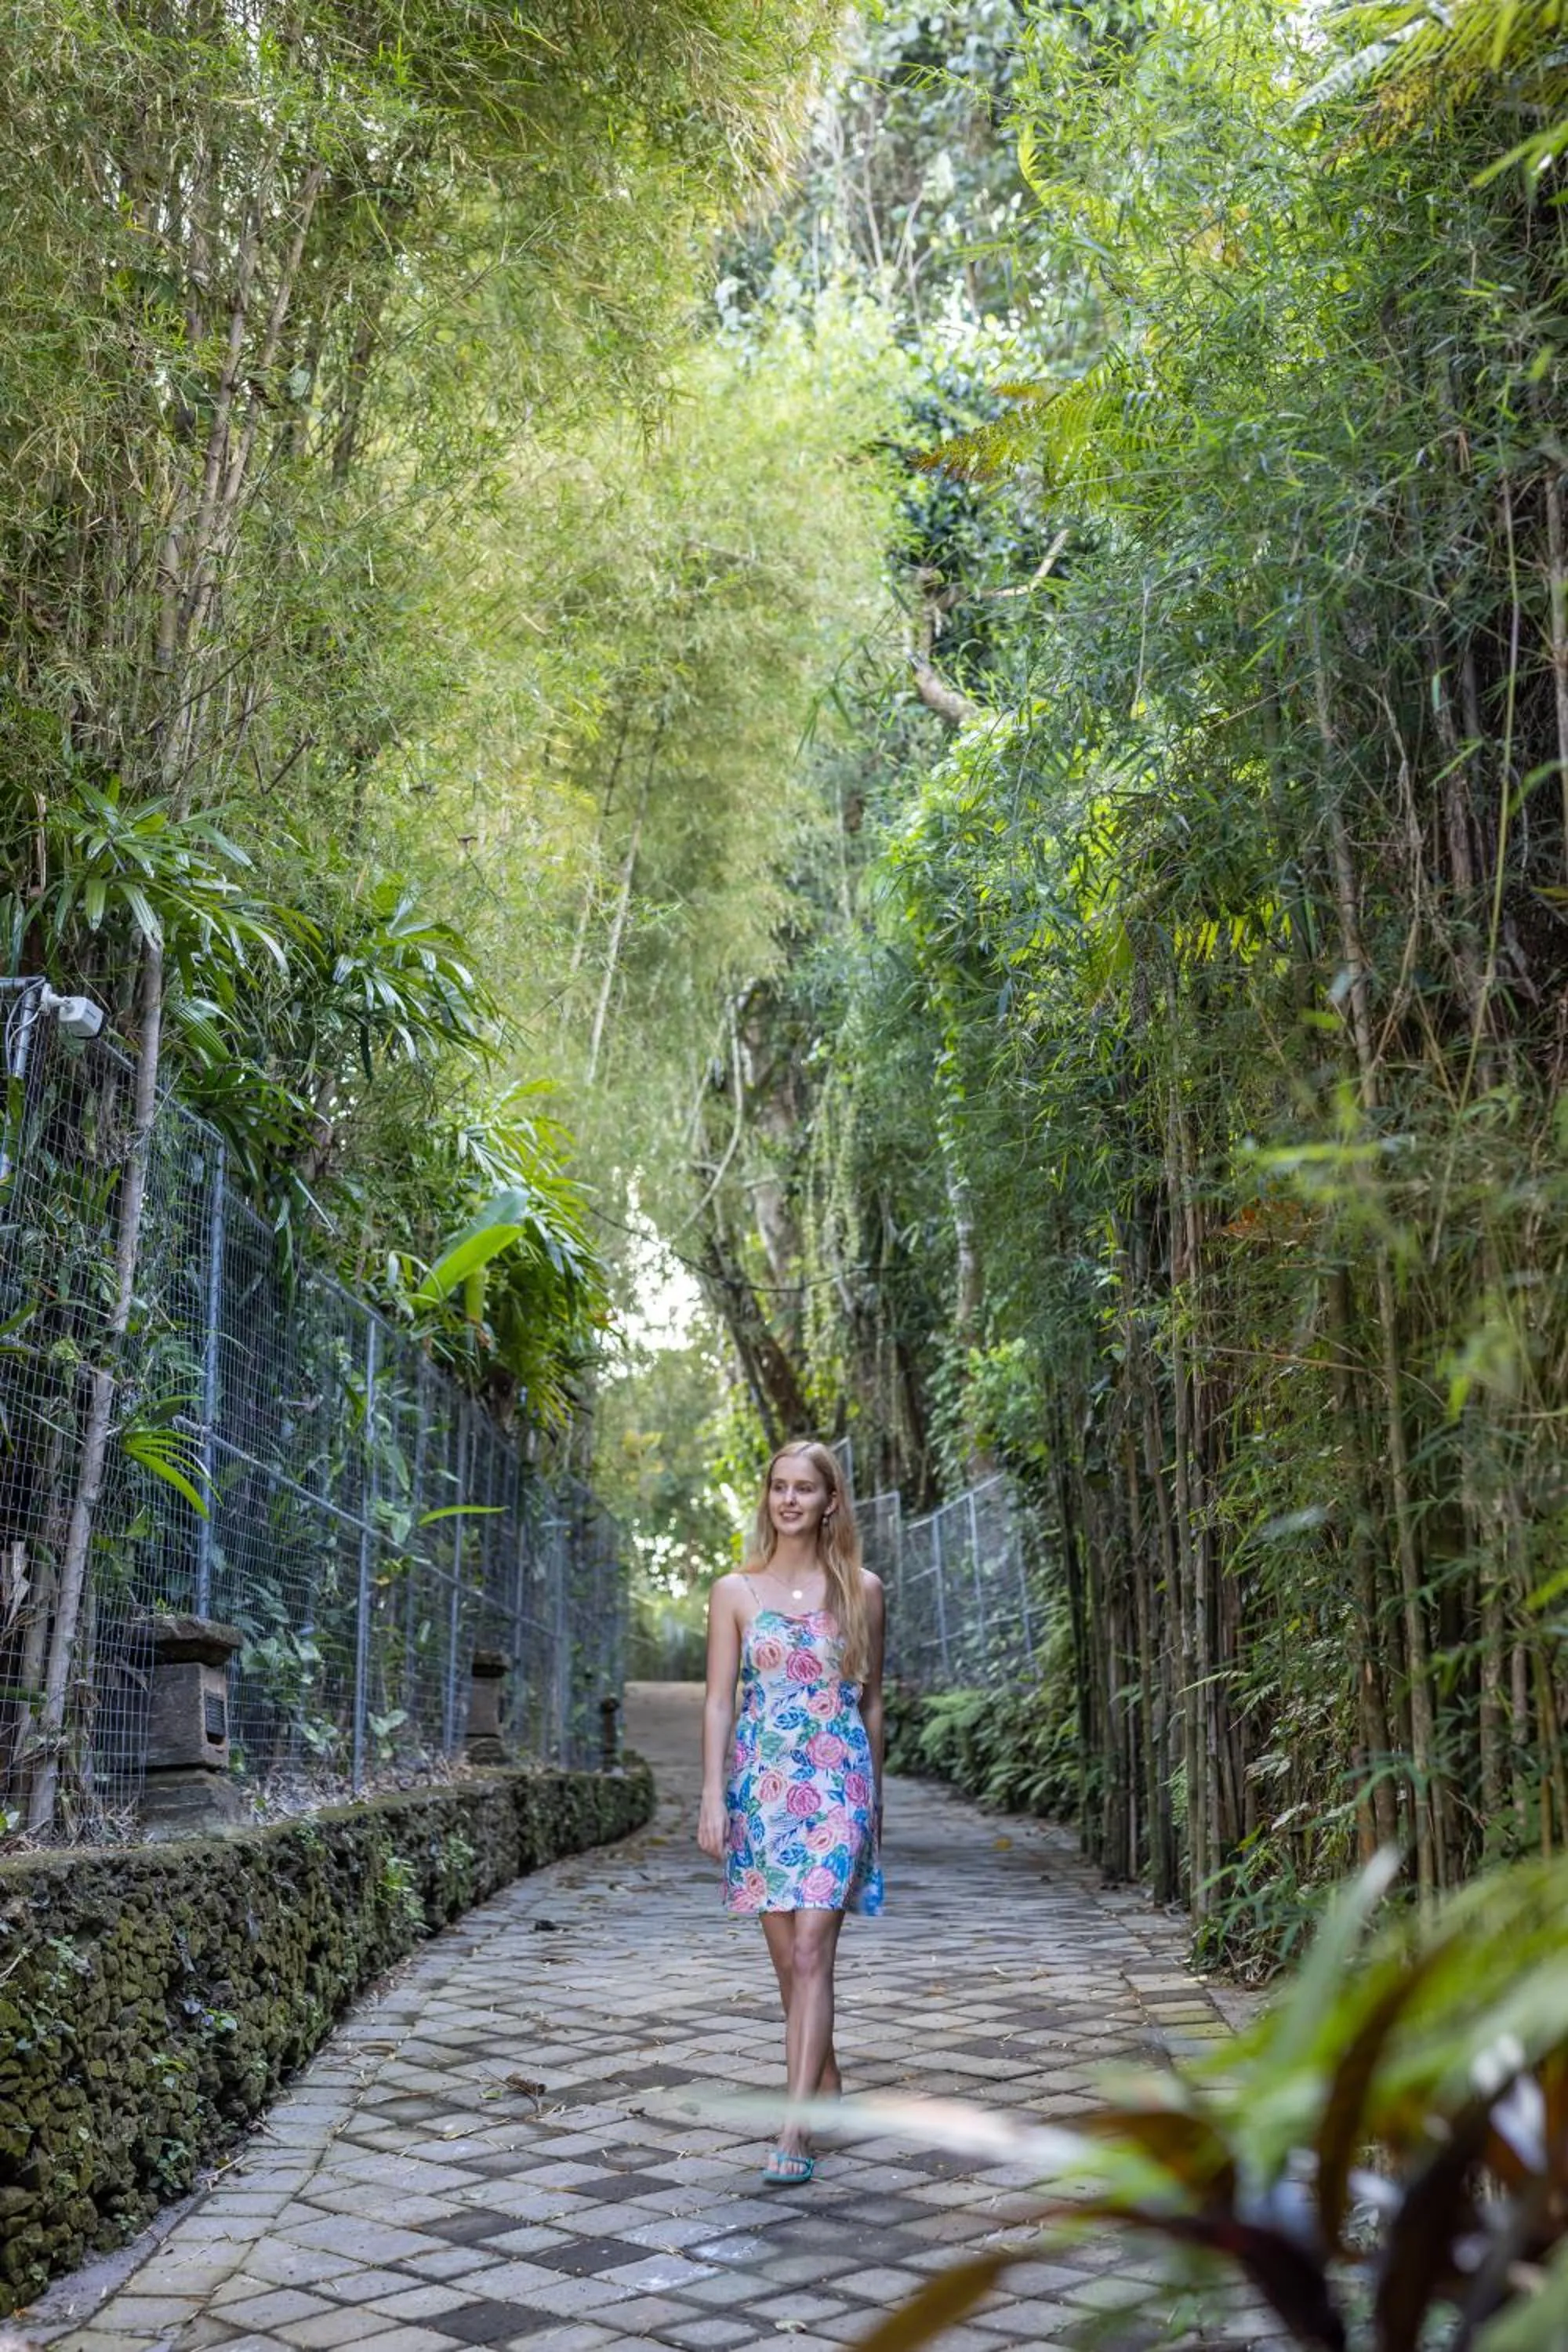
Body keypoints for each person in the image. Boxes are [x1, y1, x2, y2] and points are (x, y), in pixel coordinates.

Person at [696, 1438, 885, 2186]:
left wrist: (878, 1802)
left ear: (830, 1501)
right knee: (787, 1963)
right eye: (780, 1487)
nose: (790, 1500)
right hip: (762, 1790)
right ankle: (825, 2084)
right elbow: (718, 1700)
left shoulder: (863, 1591)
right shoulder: (734, 1592)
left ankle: (795, 2125)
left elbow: (872, 1703)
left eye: (805, 1488)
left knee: (813, 1953)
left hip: (838, 1786)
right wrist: (713, 1793)